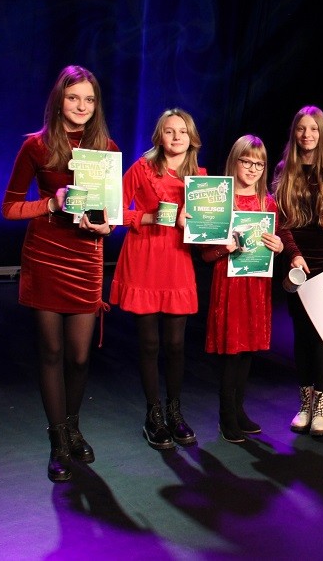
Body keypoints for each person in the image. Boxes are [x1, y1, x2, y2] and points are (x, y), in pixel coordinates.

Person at [2, 65, 117, 482]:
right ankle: (58, 440)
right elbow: (10, 207)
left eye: (89, 99)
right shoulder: (36, 146)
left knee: (80, 356)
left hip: (86, 258)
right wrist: (51, 203)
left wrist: (107, 226)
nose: (81, 106)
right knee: (51, 353)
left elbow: (111, 215)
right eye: (73, 98)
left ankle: (73, 426)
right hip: (46, 256)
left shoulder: (106, 148)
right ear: (59, 100)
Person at [110, 109, 204, 450]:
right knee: (149, 343)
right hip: (145, 258)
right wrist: (153, 217)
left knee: (176, 344)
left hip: (177, 261)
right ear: (159, 137)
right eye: (169, 131)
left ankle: (175, 412)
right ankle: (154, 415)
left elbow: (208, 226)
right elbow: (115, 210)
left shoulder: (202, 179)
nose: (176, 137)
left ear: (192, 138)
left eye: (183, 131)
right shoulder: (142, 168)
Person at [271, 106, 323, 437]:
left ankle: (321, 406)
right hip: (296, 266)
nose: (307, 135)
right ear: (294, 132)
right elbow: (281, 221)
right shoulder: (284, 169)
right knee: (302, 336)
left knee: (321, 337)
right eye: (302, 128)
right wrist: (293, 255)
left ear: (322, 133)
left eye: (314, 129)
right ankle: (305, 404)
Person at [201, 135, 283, 443]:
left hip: (256, 284)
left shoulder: (267, 203)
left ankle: (238, 409)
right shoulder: (220, 201)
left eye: (258, 164)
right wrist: (223, 248)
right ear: (234, 161)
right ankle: (226, 416)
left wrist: (278, 246)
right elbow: (205, 255)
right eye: (246, 161)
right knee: (231, 351)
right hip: (229, 284)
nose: (252, 169)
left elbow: (274, 243)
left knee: (248, 349)